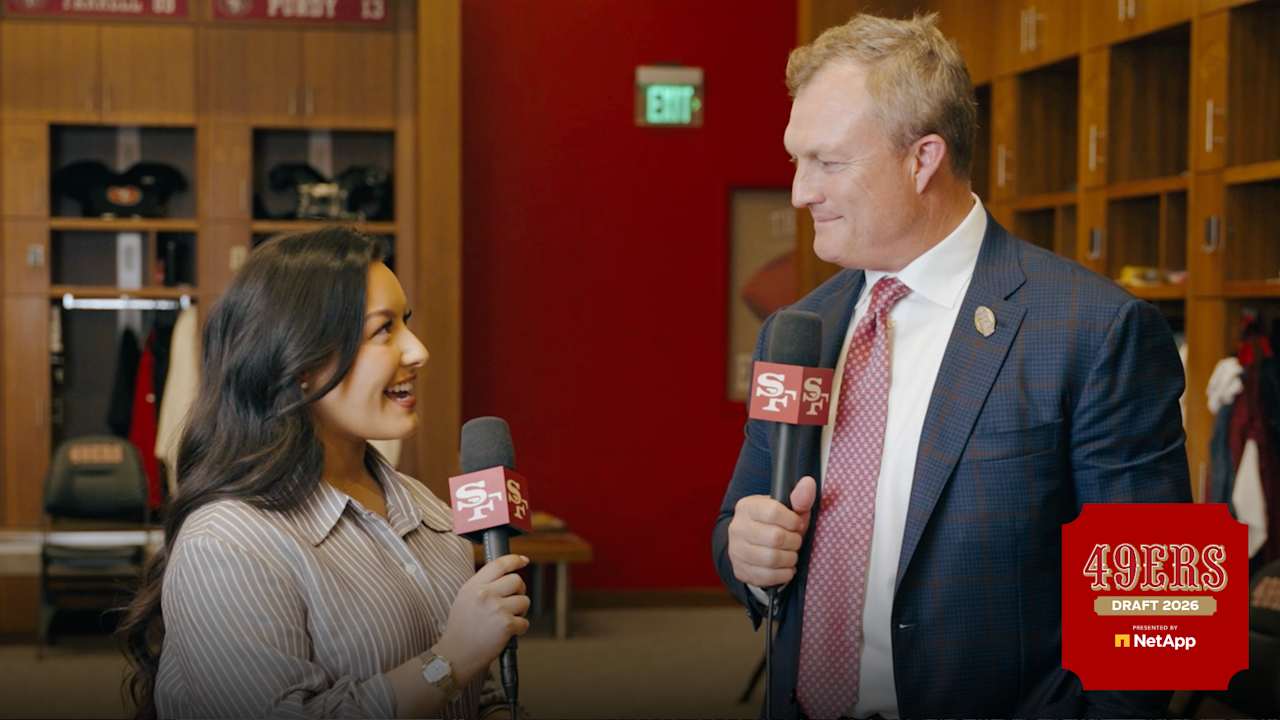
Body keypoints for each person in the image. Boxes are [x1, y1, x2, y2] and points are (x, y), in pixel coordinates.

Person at [711, 13, 1190, 720]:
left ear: (923, 159)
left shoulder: (1099, 331)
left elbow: (1162, 612)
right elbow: (738, 523)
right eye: (796, 161)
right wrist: (746, 554)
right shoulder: (800, 330)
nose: (800, 192)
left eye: (828, 162)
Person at [119, 228, 529, 719]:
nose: (418, 350)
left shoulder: (426, 508)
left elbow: (475, 688)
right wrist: (449, 662)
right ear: (300, 364)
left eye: (406, 322)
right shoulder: (227, 541)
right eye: (384, 330)